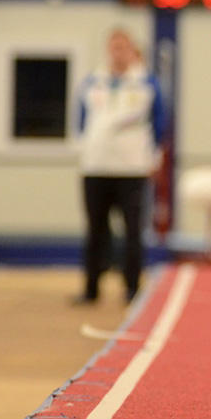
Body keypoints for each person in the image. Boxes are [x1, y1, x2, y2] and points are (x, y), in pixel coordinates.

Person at [75, 29, 164, 304]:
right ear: (108, 49)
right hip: (96, 166)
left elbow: (160, 121)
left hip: (131, 168)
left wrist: (153, 156)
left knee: (133, 231)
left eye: (123, 47)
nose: (118, 52)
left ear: (132, 50)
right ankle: (91, 288)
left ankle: (132, 288)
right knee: (95, 230)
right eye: (114, 47)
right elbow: (81, 120)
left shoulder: (146, 83)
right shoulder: (92, 81)